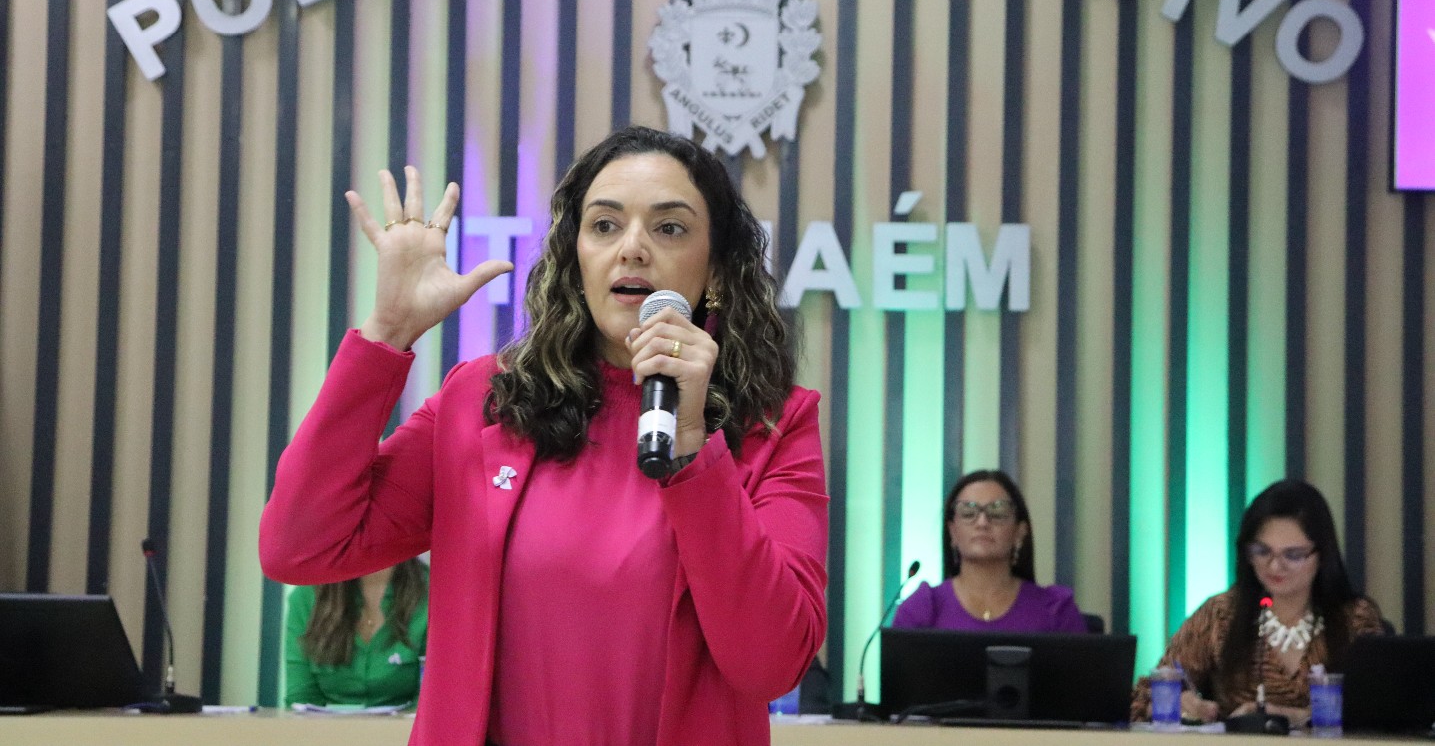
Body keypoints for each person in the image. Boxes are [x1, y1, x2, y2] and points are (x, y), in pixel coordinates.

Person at [259, 126, 828, 746]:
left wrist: (692, 442)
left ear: (715, 268)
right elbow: (300, 547)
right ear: (575, 256)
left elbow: (771, 663)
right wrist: (387, 332)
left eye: (669, 228)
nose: (632, 249)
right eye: (605, 225)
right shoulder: (485, 401)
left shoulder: (774, 424)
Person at [1131, 479, 1385, 725]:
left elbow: (1380, 710)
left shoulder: (1354, 619)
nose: (1274, 566)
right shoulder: (1221, 615)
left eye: (1293, 555)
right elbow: (1142, 697)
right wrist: (1177, 704)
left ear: (1322, 555)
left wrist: (1297, 717)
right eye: (1262, 552)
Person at [892, 469, 1088, 632]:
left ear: (1020, 532)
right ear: (952, 532)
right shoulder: (922, 609)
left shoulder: (1056, 610)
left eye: (997, 512)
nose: (982, 523)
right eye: (968, 513)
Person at [283, 559, 428, 708]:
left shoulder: (433, 591)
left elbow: (430, 704)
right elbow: (301, 700)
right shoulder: (307, 595)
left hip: (410, 722)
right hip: (325, 723)